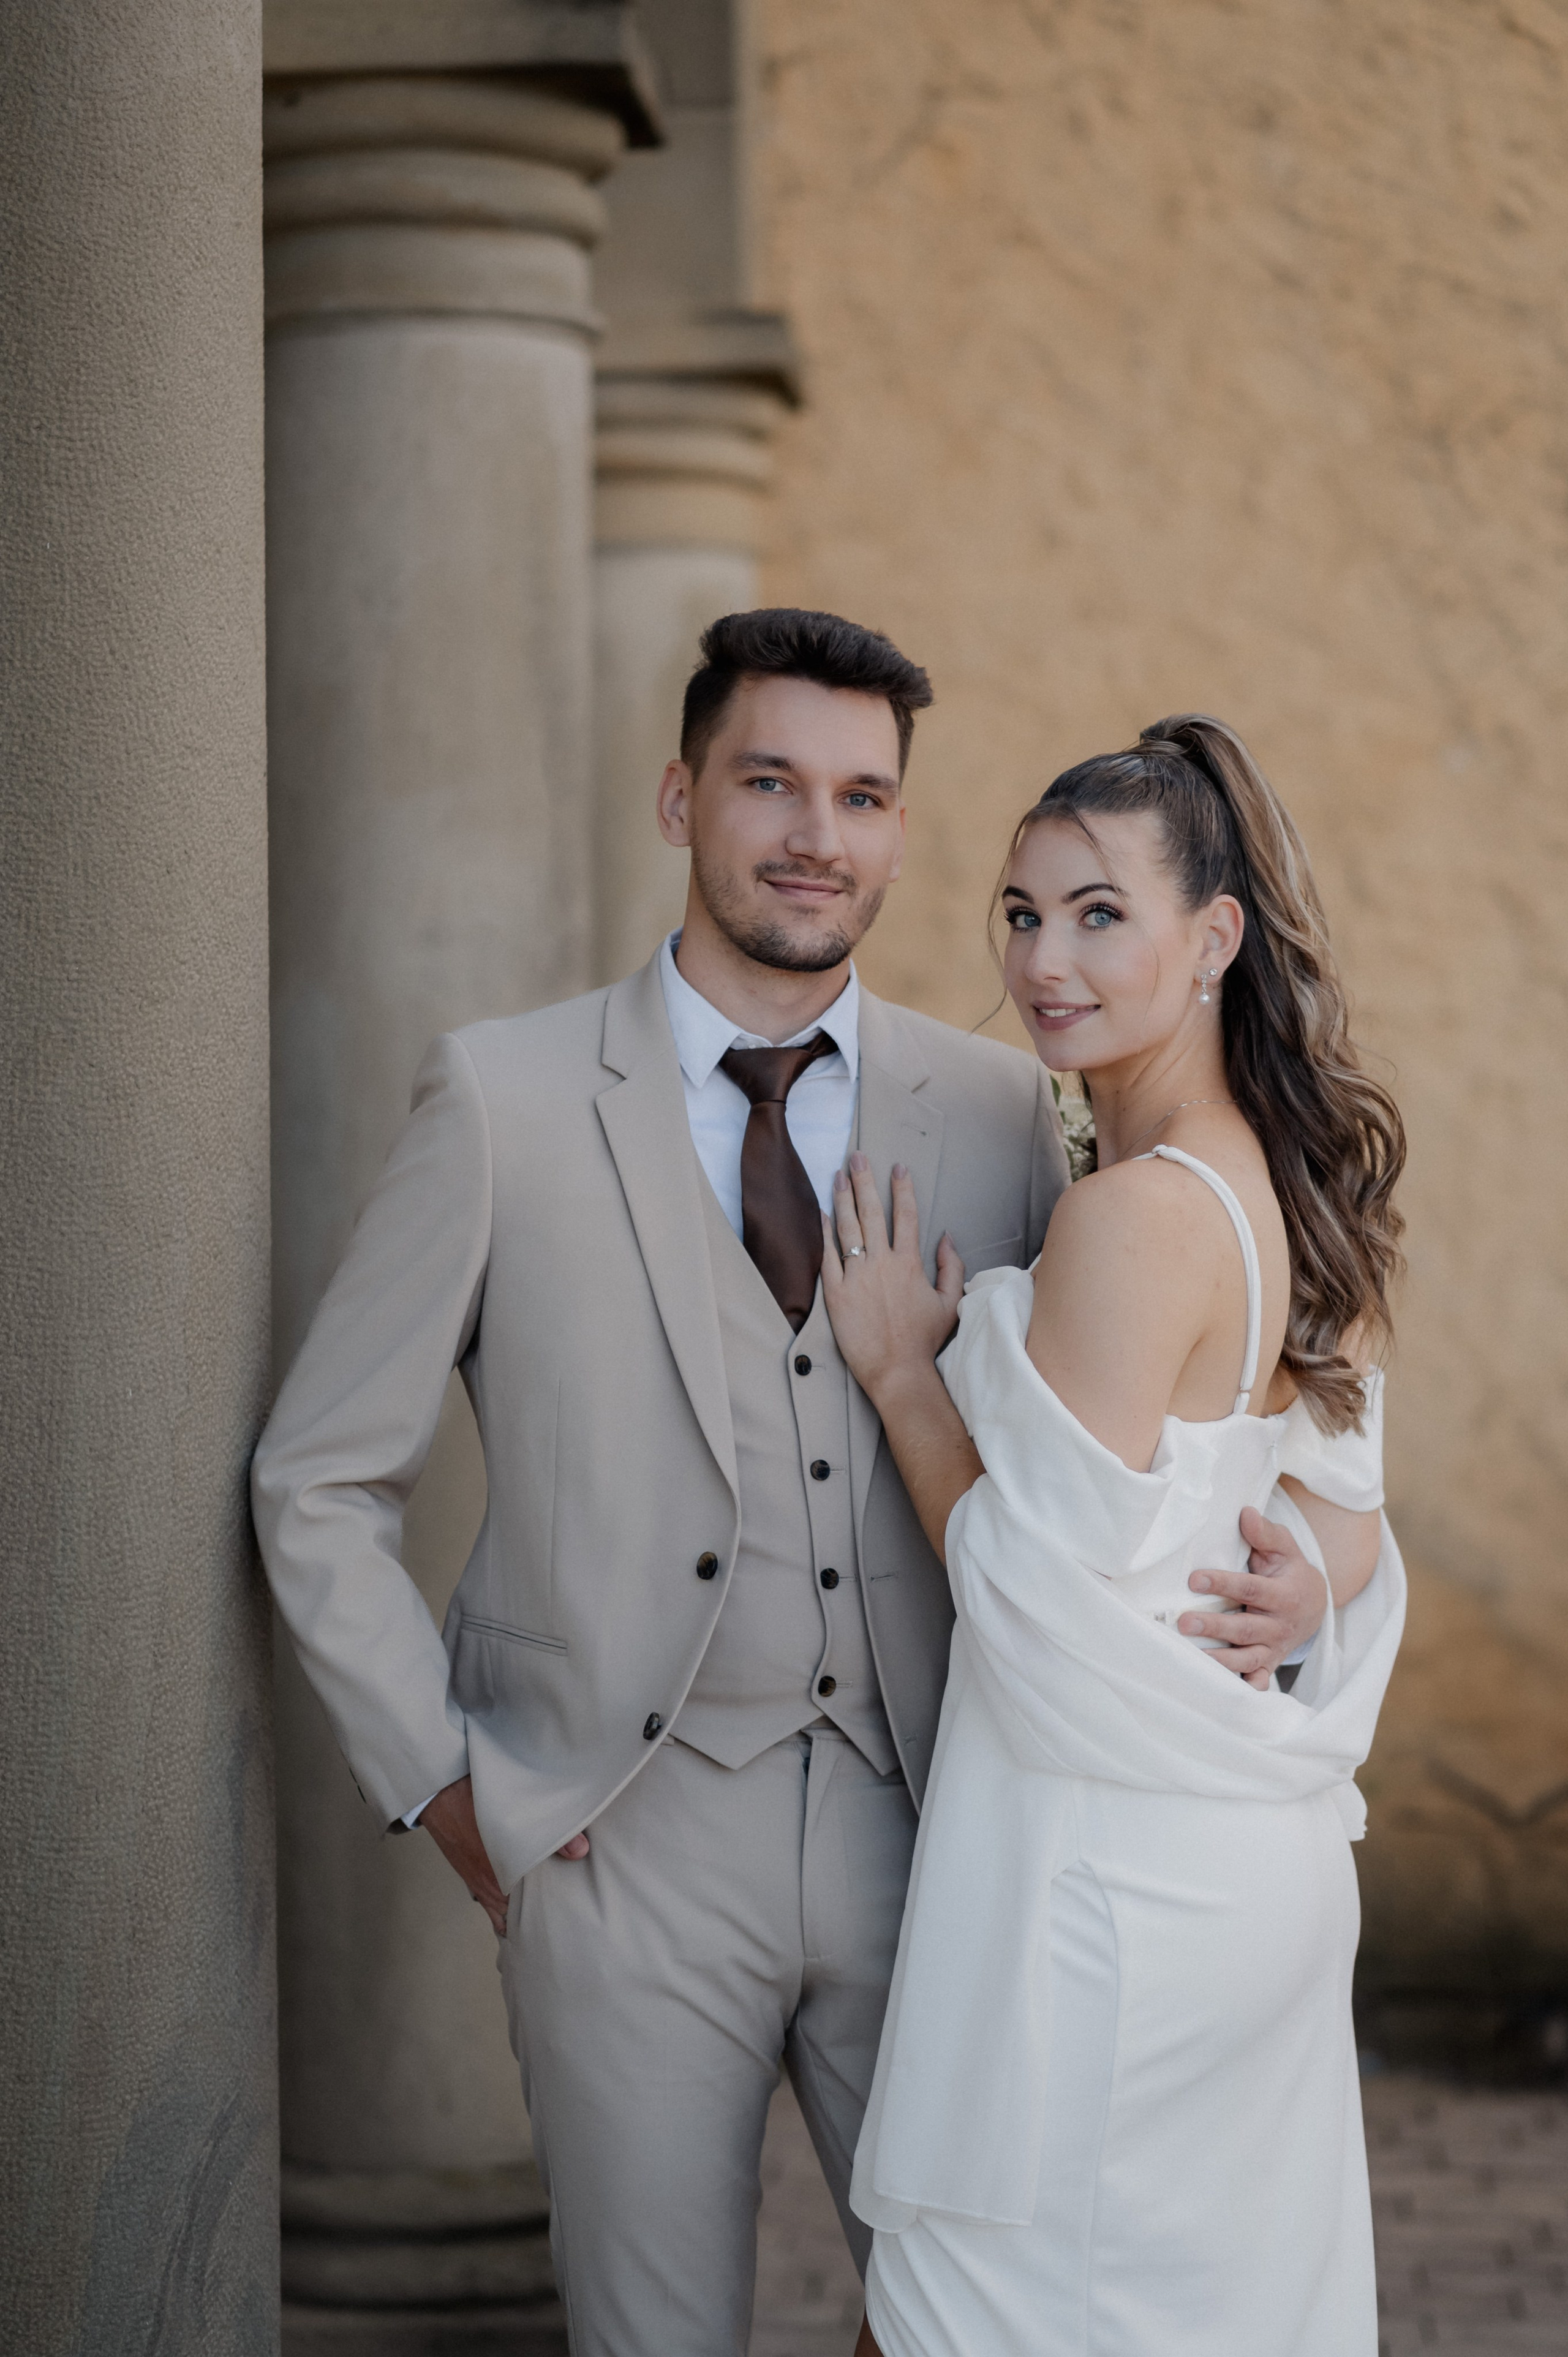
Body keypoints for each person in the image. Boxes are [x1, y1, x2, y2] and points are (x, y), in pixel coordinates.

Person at [251, 628, 1333, 2357]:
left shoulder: (1009, 1106)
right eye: (770, 783)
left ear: (902, 836)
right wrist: (453, 1790)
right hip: (624, 1855)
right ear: (684, 799)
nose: (815, 835)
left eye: (863, 796)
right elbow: (315, 1479)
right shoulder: (505, 1099)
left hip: (946, 1841)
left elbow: (1208, 1407)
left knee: (982, 2323)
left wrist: (1322, 1580)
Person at [821, 714, 1407, 2357]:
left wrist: (898, 1377)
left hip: (1109, 1888)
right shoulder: (1292, 1185)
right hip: (1238, 1873)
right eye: (1019, 912)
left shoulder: (1134, 1215)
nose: (1043, 962)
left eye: (1098, 914)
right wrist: (1312, 1578)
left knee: (975, 2319)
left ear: (1213, 938)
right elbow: (1347, 1515)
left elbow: (1029, 1598)